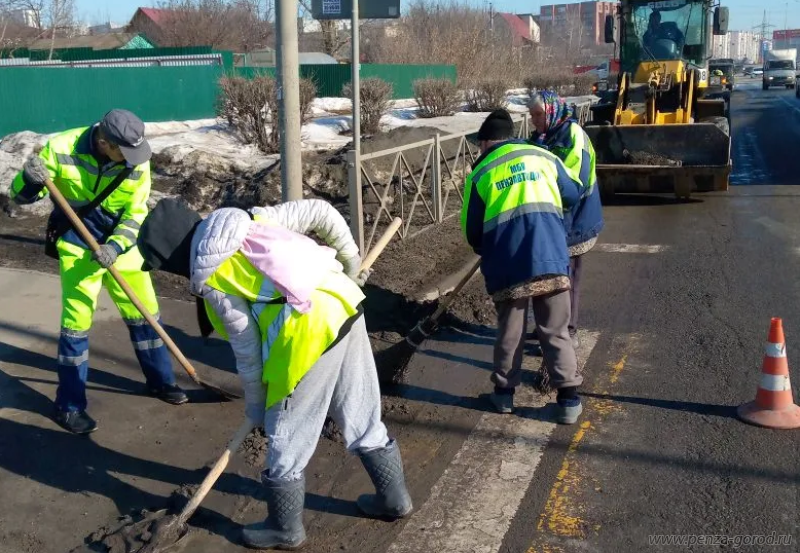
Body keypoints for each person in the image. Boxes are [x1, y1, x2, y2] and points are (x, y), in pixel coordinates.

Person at [136, 197, 413, 550]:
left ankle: (285, 528)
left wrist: (257, 405)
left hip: (307, 332)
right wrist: (349, 264)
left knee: (286, 431)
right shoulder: (250, 218)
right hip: (345, 302)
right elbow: (320, 212)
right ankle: (394, 498)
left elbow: (248, 351)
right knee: (359, 407)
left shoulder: (213, 278)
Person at [9, 109, 186, 435]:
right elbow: (18, 198)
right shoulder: (60, 149)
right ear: (104, 142)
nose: (134, 160)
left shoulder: (137, 157)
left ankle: (161, 382)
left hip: (124, 245)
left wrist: (116, 247)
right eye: (125, 153)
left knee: (146, 315)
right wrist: (28, 178)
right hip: (78, 247)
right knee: (75, 328)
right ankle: (69, 406)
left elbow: (135, 212)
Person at [461, 108, 584, 424]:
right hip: (551, 256)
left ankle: (503, 395)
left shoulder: (481, 172)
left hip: (507, 263)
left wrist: (487, 249)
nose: (479, 149)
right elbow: (572, 191)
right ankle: (569, 400)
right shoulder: (543, 155)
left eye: (480, 143)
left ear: (488, 142)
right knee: (555, 328)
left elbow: (471, 231)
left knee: (511, 330)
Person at [528, 91, 604, 349]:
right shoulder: (541, 136)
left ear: (550, 111)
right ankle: (549, 327)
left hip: (575, 220)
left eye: (538, 114)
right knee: (547, 275)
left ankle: (567, 331)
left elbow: (575, 186)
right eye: (531, 115)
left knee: (568, 276)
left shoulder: (573, 135)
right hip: (551, 220)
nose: (534, 120)